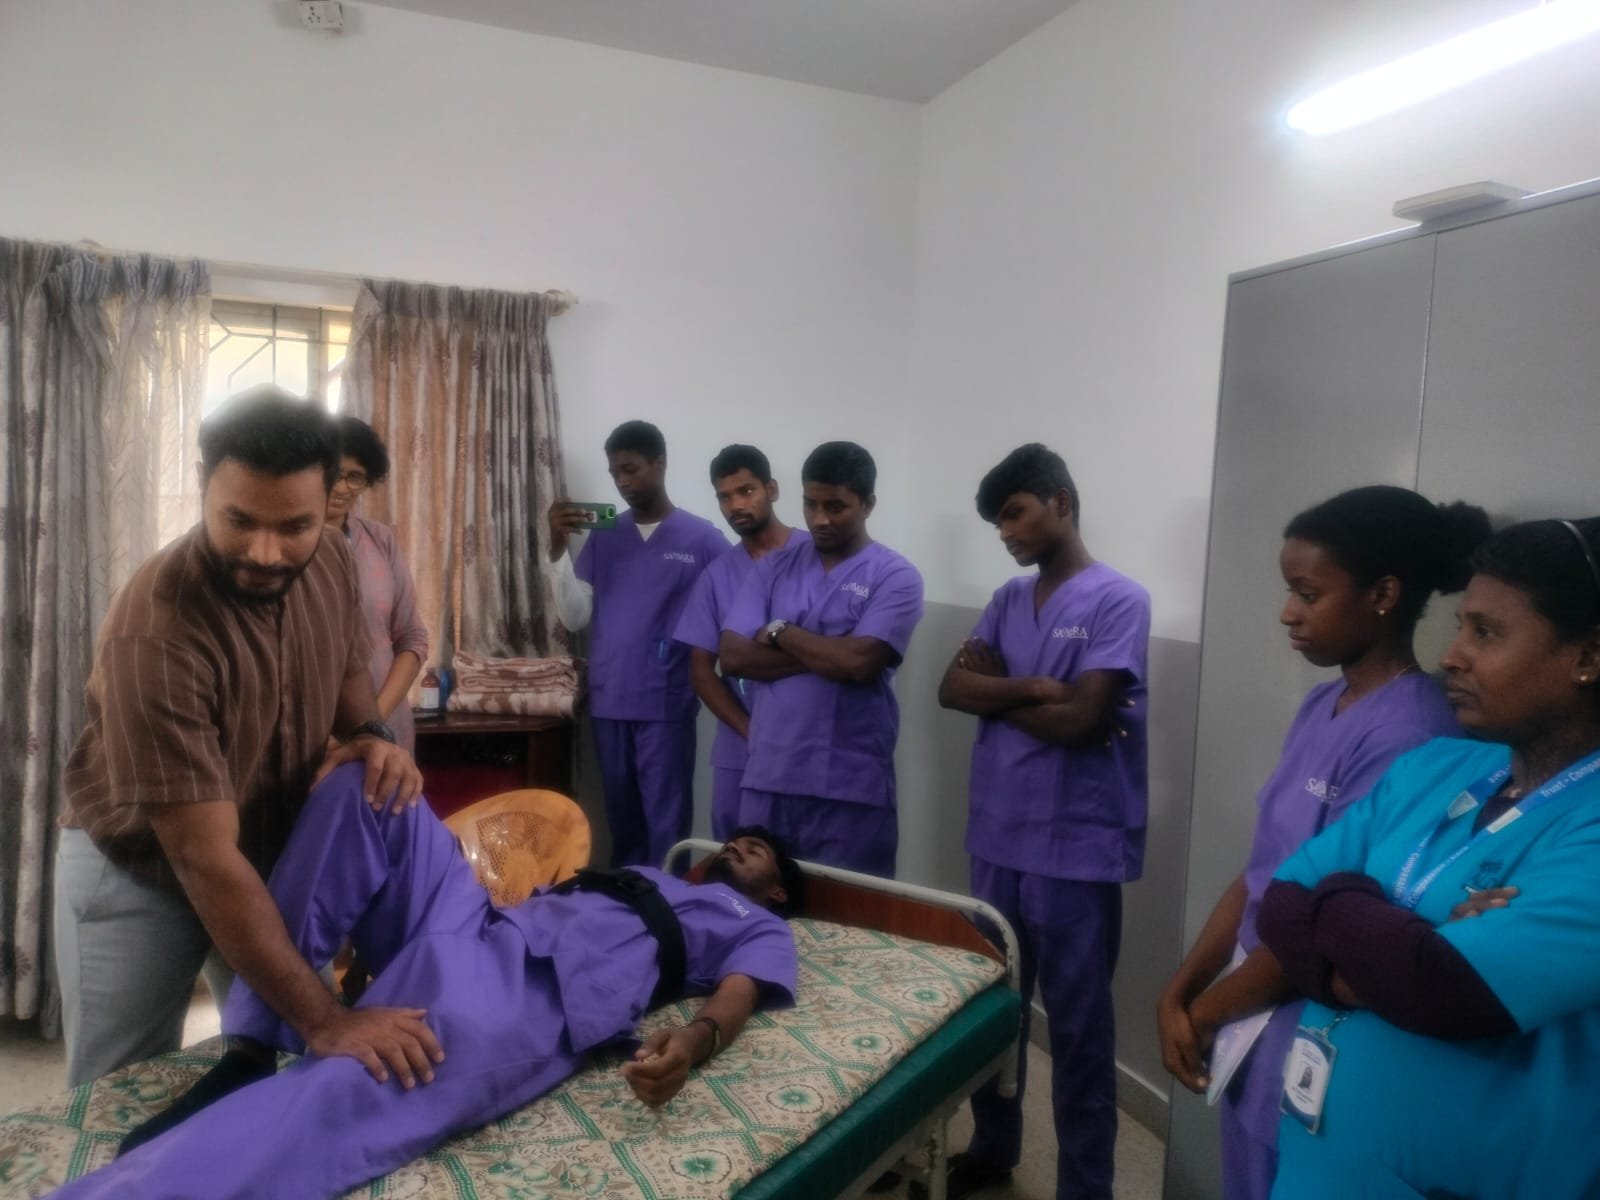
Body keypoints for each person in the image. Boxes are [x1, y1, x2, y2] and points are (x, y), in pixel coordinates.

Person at [51, 763, 802, 1200]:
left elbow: (737, 992)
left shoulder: (759, 924)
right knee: (370, 786)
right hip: (481, 920)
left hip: (539, 989)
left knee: (354, 1083)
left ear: (777, 892)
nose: (741, 845)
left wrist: (696, 1042)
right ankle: (256, 1036)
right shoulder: (652, 872)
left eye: (759, 851)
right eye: (738, 838)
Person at [53, 387, 422, 1090]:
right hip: (139, 865)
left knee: (285, 1068)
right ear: (203, 483)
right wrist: (327, 1019)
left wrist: (370, 734)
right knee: (121, 1089)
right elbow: (204, 857)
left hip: (267, 850)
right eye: (240, 520)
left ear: (330, 501)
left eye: (294, 525)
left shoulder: (332, 559)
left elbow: (348, 661)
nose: (265, 552)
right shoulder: (156, 632)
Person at [1154, 485, 1489, 1200]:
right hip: (1246, 1006)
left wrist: (1203, 1014)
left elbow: (1328, 925)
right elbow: (1263, 871)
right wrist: (1181, 991)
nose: (1288, 612)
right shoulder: (1322, 703)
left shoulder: (1412, 734)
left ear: (1383, 595)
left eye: (1308, 594)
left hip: (1308, 1025)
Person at [1257, 516, 1600, 1199]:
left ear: (1587, 656)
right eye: (1461, 626)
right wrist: (1410, 946)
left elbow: (1447, 991)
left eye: (1486, 633)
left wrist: (1342, 901)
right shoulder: (1435, 766)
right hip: (1319, 1171)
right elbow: (1283, 906)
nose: (1452, 655)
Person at [935, 443, 1150, 1200]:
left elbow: (1085, 722)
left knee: (1080, 1030)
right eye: (997, 523)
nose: (1006, 533)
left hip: (1074, 846)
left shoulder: (1119, 599)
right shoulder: (1005, 599)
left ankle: (1086, 1187)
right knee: (995, 1011)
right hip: (998, 837)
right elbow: (951, 688)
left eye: (1015, 514)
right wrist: (1037, 688)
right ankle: (994, 1147)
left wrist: (1004, 691)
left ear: (1060, 502)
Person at [719, 441, 924, 877]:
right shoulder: (773, 568)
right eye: (810, 504)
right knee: (760, 905)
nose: (819, 519)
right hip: (770, 777)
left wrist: (781, 632)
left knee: (849, 912)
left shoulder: (895, 576)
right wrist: (832, 650)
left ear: (868, 504)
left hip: (850, 786)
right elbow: (733, 657)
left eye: (836, 506)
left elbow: (860, 663)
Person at [547, 420, 728, 867]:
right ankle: (628, 900)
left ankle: (669, 899)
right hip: (610, 698)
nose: (623, 482)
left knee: (667, 823)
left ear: (659, 464)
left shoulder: (702, 538)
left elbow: (736, 601)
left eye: (631, 469)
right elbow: (575, 615)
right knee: (622, 819)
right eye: (615, 473)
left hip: (665, 701)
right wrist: (556, 550)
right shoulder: (606, 534)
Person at [672, 444, 807, 840]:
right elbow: (701, 670)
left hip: (809, 742)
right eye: (725, 496)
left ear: (772, 489)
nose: (735, 505)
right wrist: (750, 732)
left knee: (807, 863)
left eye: (746, 491)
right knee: (736, 857)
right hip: (742, 748)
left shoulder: (815, 556)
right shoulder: (717, 576)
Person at [326, 415, 429, 752]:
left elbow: (412, 638)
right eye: (332, 473)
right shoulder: (283, 547)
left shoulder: (380, 540)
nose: (341, 487)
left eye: (354, 477)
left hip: (387, 731)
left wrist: (370, 725)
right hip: (312, 738)